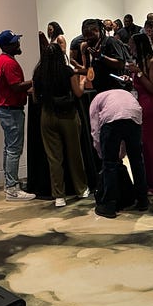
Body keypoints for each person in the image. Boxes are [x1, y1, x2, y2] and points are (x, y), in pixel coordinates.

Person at [32, 43, 87, 207]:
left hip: (47, 115)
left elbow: (35, 99)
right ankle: (81, 189)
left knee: (54, 158)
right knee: (74, 153)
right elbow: (78, 93)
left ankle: (59, 196)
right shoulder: (67, 71)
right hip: (68, 115)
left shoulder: (38, 73)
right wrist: (82, 82)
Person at [89, 88, 148, 218]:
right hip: (134, 116)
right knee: (137, 160)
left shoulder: (96, 100)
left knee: (109, 164)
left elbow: (95, 131)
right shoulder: (126, 94)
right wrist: (121, 153)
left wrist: (102, 154)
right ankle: (143, 200)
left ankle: (109, 205)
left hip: (111, 120)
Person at [0, 29, 37, 201]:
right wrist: (36, 80)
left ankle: (9, 183)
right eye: (14, 42)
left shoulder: (1, 60)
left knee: (9, 147)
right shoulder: (8, 63)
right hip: (11, 110)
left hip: (6, 109)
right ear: (6, 46)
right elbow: (16, 86)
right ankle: (12, 188)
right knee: (13, 149)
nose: (18, 44)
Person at [128, 32, 153, 197]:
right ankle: (146, 182)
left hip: (150, 108)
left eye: (132, 44)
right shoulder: (139, 61)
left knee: (151, 148)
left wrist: (138, 73)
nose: (130, 47)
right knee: (142, 147)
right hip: (139, 106)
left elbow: (152, 88)